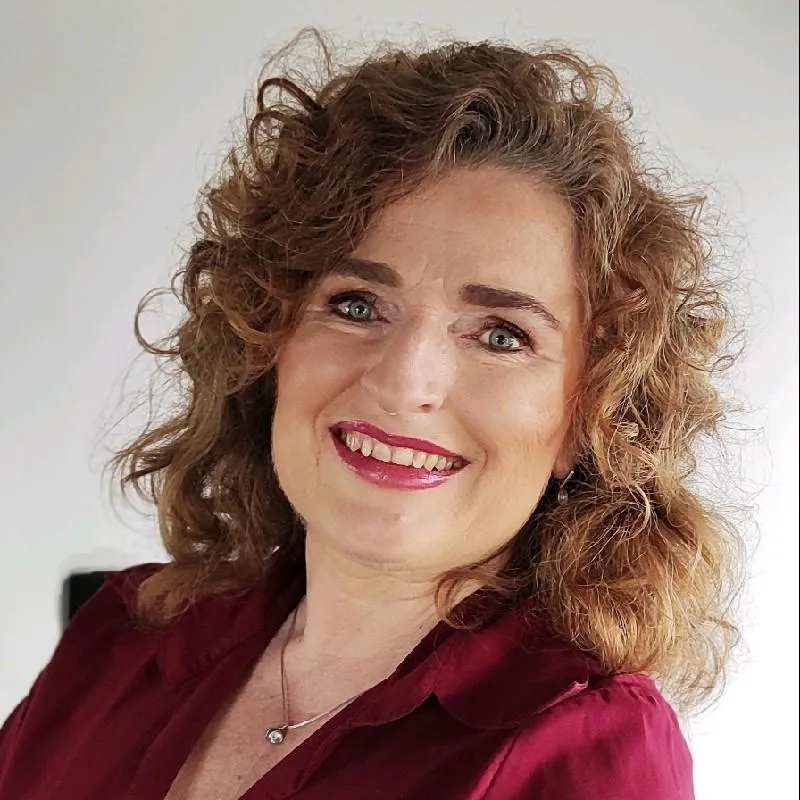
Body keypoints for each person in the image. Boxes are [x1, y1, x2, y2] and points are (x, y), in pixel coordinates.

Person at [0, 29, 746, 800]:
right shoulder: (121, 637)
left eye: (502, 335)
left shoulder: (590, 750)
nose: (402, 381)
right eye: (356, 304)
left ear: (589, 418)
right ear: (269, 339)